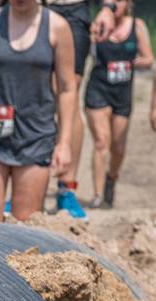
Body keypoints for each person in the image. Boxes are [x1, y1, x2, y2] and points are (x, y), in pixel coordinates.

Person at [0, 1, 112, 215]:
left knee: (68, 86)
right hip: (18, 8)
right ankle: (14, 175)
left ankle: (66, 187)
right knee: (18, 76)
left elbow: (67, 90)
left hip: (72, 7)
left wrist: (108, 7)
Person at [0, 0, 82, 221]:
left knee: (26, 222)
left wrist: (64, 143)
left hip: (36, 133)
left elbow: (67, 89)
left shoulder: (58, 27)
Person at [83, 0, 152, 207]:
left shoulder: (137, 26)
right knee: (101, 142)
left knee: (118, 147)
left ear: (128, 3)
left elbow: (149, 58)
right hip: (98, 89)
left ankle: (111, 179)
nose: (113, 5)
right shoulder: (98, 25)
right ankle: (97, 196)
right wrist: (92, 36)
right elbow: (83, 50)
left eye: (118, 1)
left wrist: (138, 62)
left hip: (122, 93)